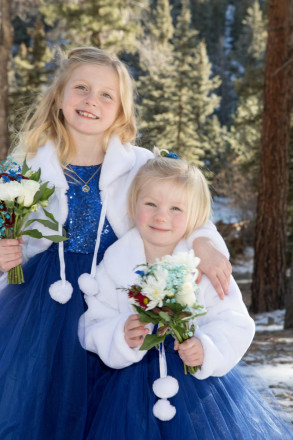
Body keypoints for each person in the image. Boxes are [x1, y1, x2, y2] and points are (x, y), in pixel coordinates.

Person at [0, 46, 231, 440]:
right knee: (41, 403)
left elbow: (181, 207)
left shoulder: (141, 164)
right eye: (82, 88)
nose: (92, 101)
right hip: (42, 307)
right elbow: (6, 228)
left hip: (119, 293)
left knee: (120, 408)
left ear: (122, 110)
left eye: (107, 94)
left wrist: (205, 242)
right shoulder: (22, 168)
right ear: (59, 96)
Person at [79, 154, 293, 440]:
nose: (161, 216)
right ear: (133, 206)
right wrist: (119, 334)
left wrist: (206, 348)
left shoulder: (203, 267)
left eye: (176, 208)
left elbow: (235, 321)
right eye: (151, 204)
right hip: (129, 392)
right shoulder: (115, 263)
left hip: (197, 393)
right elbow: (91, 322)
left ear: (195, 216)